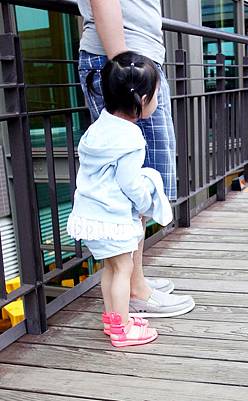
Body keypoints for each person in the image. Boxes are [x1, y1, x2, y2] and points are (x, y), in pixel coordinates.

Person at [77, 0, 195, 318]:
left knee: (143, 169)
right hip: (126, 61)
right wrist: (125, 68)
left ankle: (132, 280)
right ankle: (134, 291)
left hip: (133, 62)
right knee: (138, 176)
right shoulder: (131, 95)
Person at [67, 52, 170, 346]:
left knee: (110, 268)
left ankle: (113, 319)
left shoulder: (98, 128)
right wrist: (144, 202)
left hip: (89, 215)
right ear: (142, 99)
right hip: (111, 218)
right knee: (123, 269)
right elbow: (130, 183)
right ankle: (123, 328)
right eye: (156, 96)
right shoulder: (131, 137)